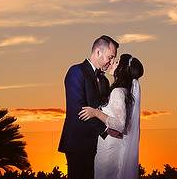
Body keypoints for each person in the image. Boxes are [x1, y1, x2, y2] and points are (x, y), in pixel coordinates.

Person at [59, 35, 119, 179]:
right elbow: (78, 110)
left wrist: (116, 76)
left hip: (96, 144)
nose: (111, 62)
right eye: (110, 57)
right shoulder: (76, 71)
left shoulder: (104, 80)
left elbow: (107, 106)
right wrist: (105, 130)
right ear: (98, 52)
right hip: (77, 141)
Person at [78, 54, 144, 179]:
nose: (113, 62)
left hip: (109, 147)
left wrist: (96, 113)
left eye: (117, 61)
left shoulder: (118, 92)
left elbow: (120, 124)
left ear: (122, 69)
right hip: (114, 144)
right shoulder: (125, 91)